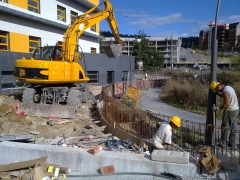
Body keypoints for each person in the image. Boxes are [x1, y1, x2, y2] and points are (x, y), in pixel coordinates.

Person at [210, 81, 239, 148]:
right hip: (235, 109)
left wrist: (218, 108)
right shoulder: (228, 87)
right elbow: (228, 97)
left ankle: (223, 144)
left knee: (225, 126)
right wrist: (218, 94)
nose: (216, 90)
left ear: (218, 87)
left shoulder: (225, 92)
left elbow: (227, 103)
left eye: (215, 89)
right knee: (233, 127)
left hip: (230, 111)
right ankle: (233, 144)